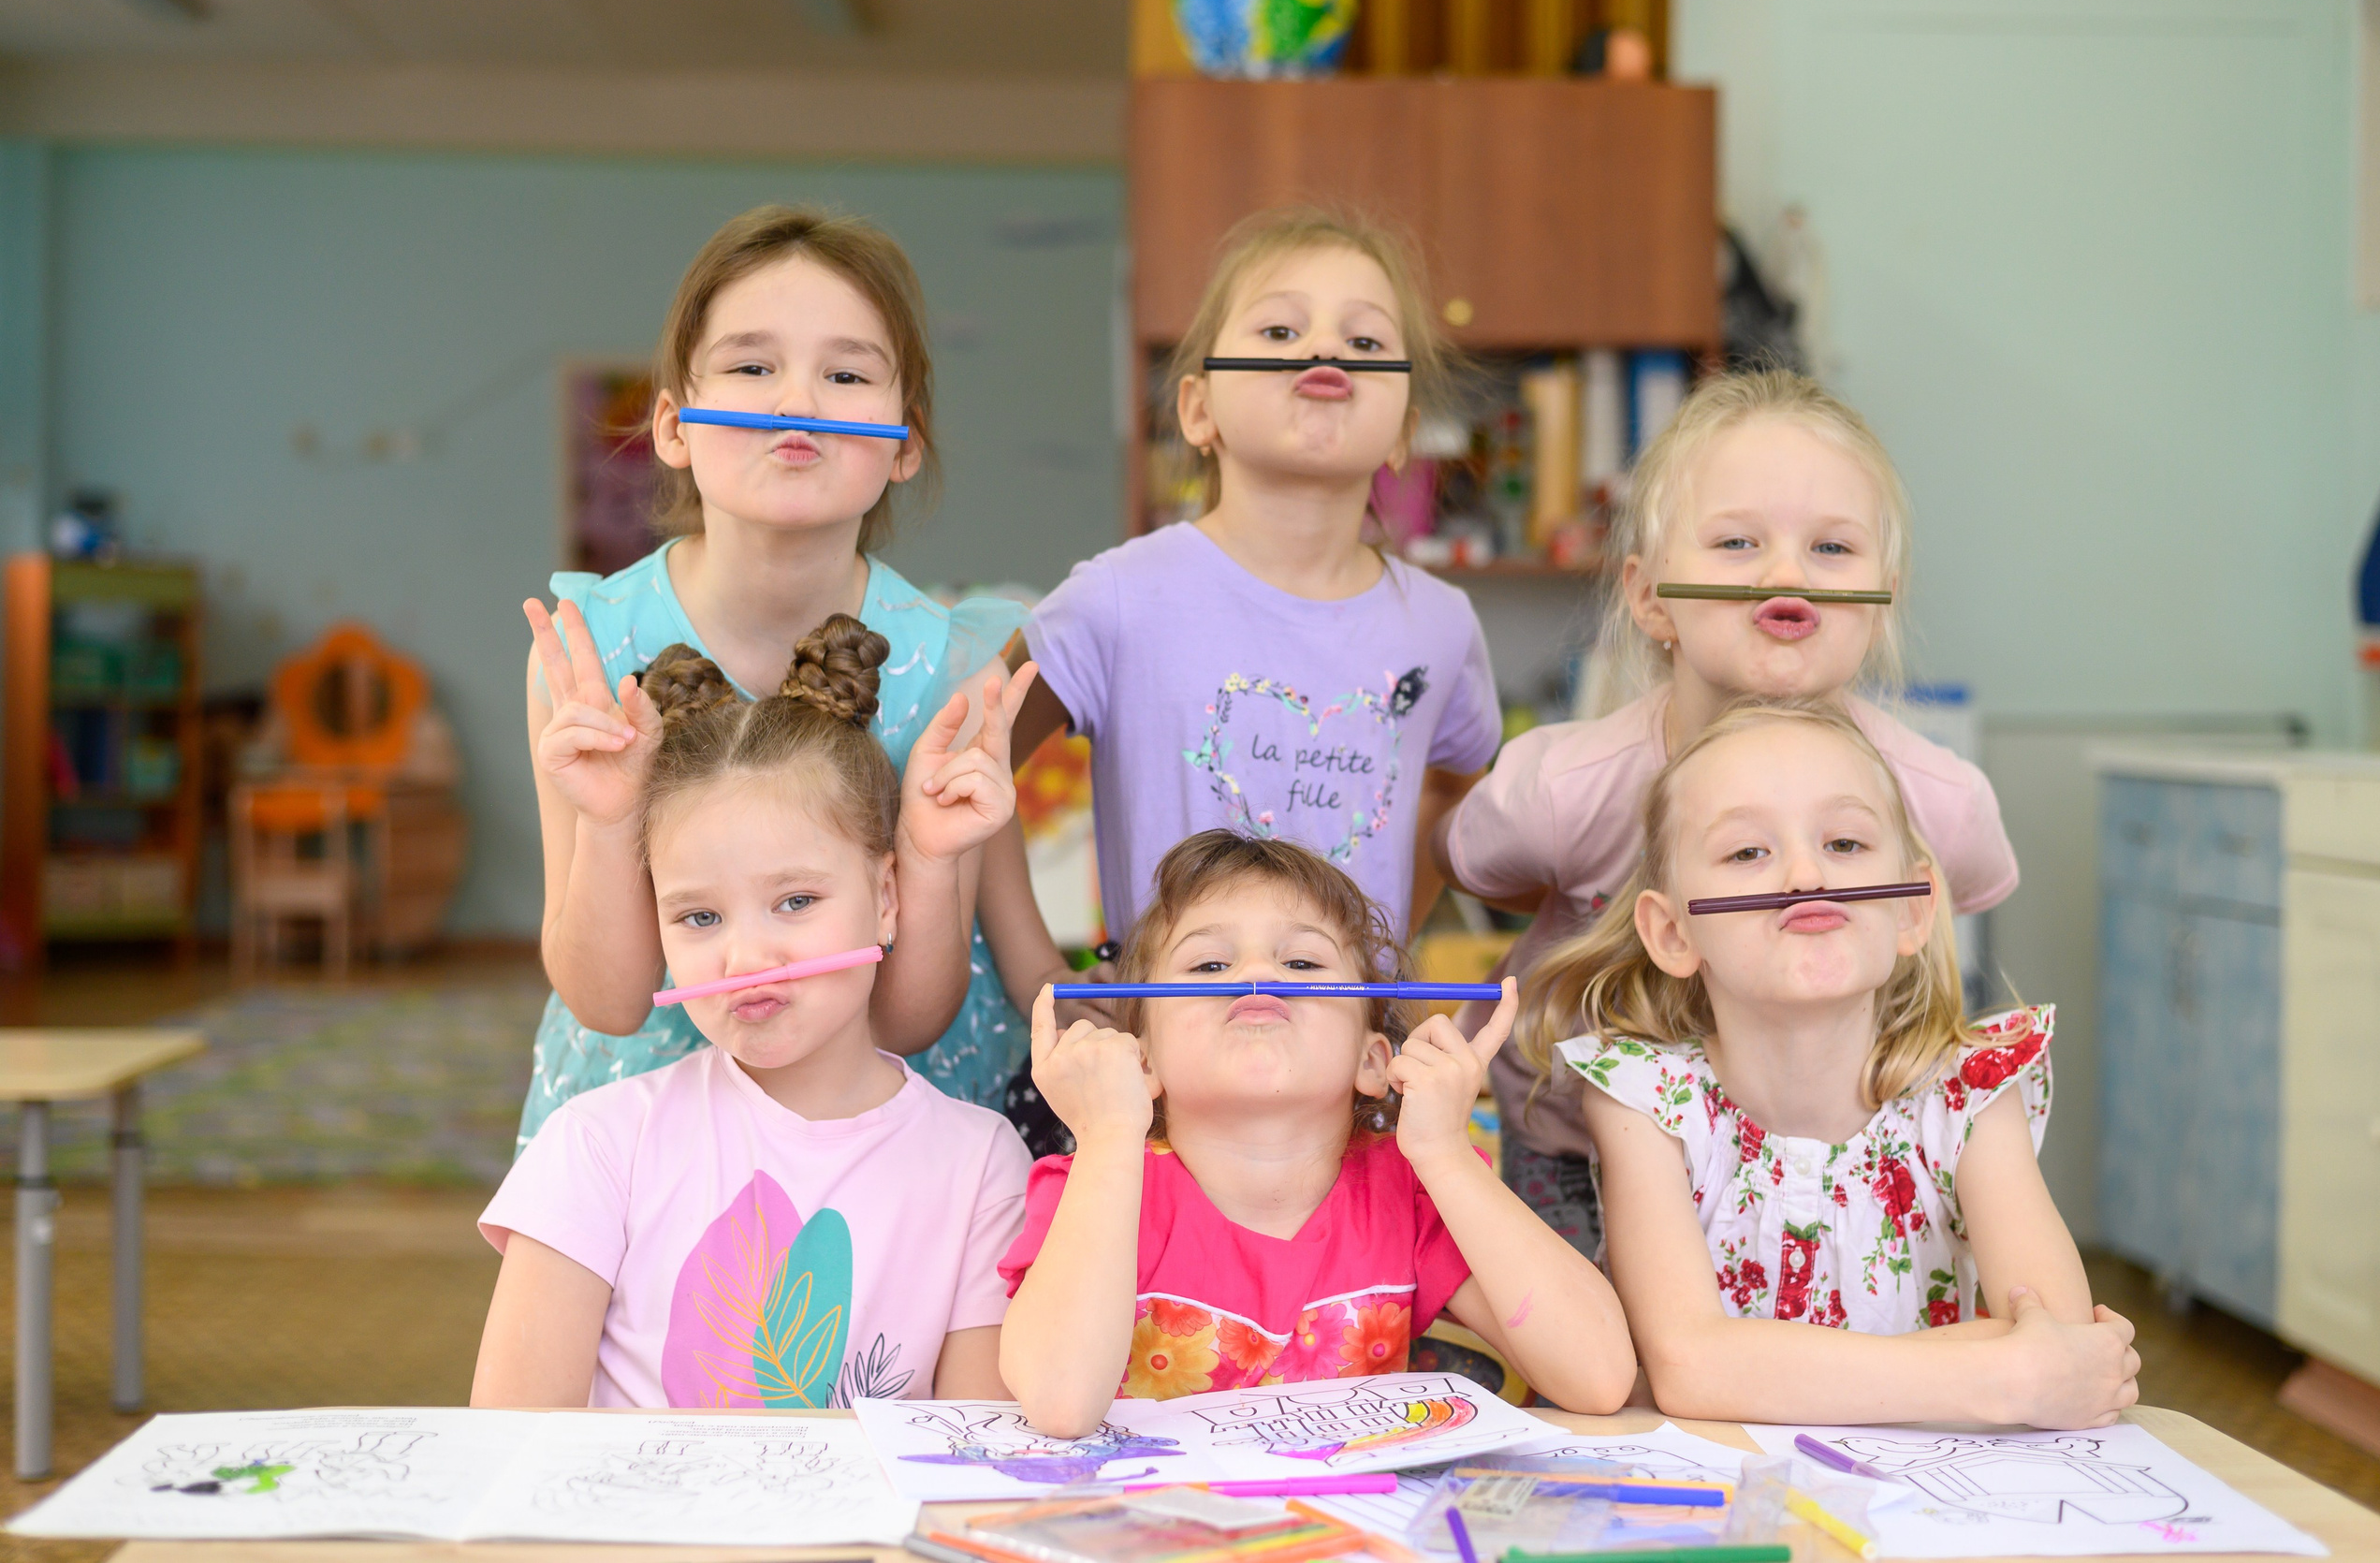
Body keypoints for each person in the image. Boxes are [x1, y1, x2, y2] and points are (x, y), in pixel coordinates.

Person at [519, 205, 1073, 1148]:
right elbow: (606, 999)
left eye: (846, 373)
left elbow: (923, 1008)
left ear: (904, 444)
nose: (796, 398)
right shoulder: (584, 654)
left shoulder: (952, 666)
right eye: (751, 365)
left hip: (894, 1140)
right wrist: (614, 820)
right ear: (671, 425)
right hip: (654, 1142)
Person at [1433, 369, 2017, 1260]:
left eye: (1832, 549)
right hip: (1578, 1158)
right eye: (1738, 542)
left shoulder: (1941, 803)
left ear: (1883, 596)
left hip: (1821, 1161)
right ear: (1649, 596)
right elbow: (1481, 868)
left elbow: (1955, 893)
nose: (1786, 572)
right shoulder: (1563, 789)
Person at [1520, 697, 2138, 1426]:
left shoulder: (1970, 1092)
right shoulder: (1645, 1098)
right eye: (1749, 851)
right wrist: (2000, 1374)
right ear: (1672, 931)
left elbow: (2060, 1347)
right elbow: (1686, 1364)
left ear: (1912, 908)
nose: (1809, 872)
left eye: (1846, 843)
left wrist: (1751, 1369)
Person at [475, 619, 1035, 1409]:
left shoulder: (982, 1165)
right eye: (699, 917)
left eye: (796, 900)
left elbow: (975, 1457)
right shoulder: (596, 1145)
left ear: (886, 898)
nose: (744, 959)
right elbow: (512, 1449)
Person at [998, 830, 1634, 1437]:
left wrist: (1446, 1154)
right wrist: (1108, 1136)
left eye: (1301, 960)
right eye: (1210, 962)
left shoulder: (1409, 1192)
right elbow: (1061, 1401)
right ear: (1143, 1062)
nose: (1257, 974)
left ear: (1374, 1060)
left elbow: (1600, 1375)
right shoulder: (1093, 1187)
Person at [1011, 205, 1501, 948]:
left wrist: (1384, 953)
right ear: (1198, 409)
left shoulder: (1442, 625)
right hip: (1155, 1056)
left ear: (1404, 431)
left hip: (1358, 1058)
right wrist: (1035, 973)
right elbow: (963, 768)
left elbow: (1454, 782)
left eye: (1365, 339)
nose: (1326, 347)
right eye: (1280, 331)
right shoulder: (1117, 599)